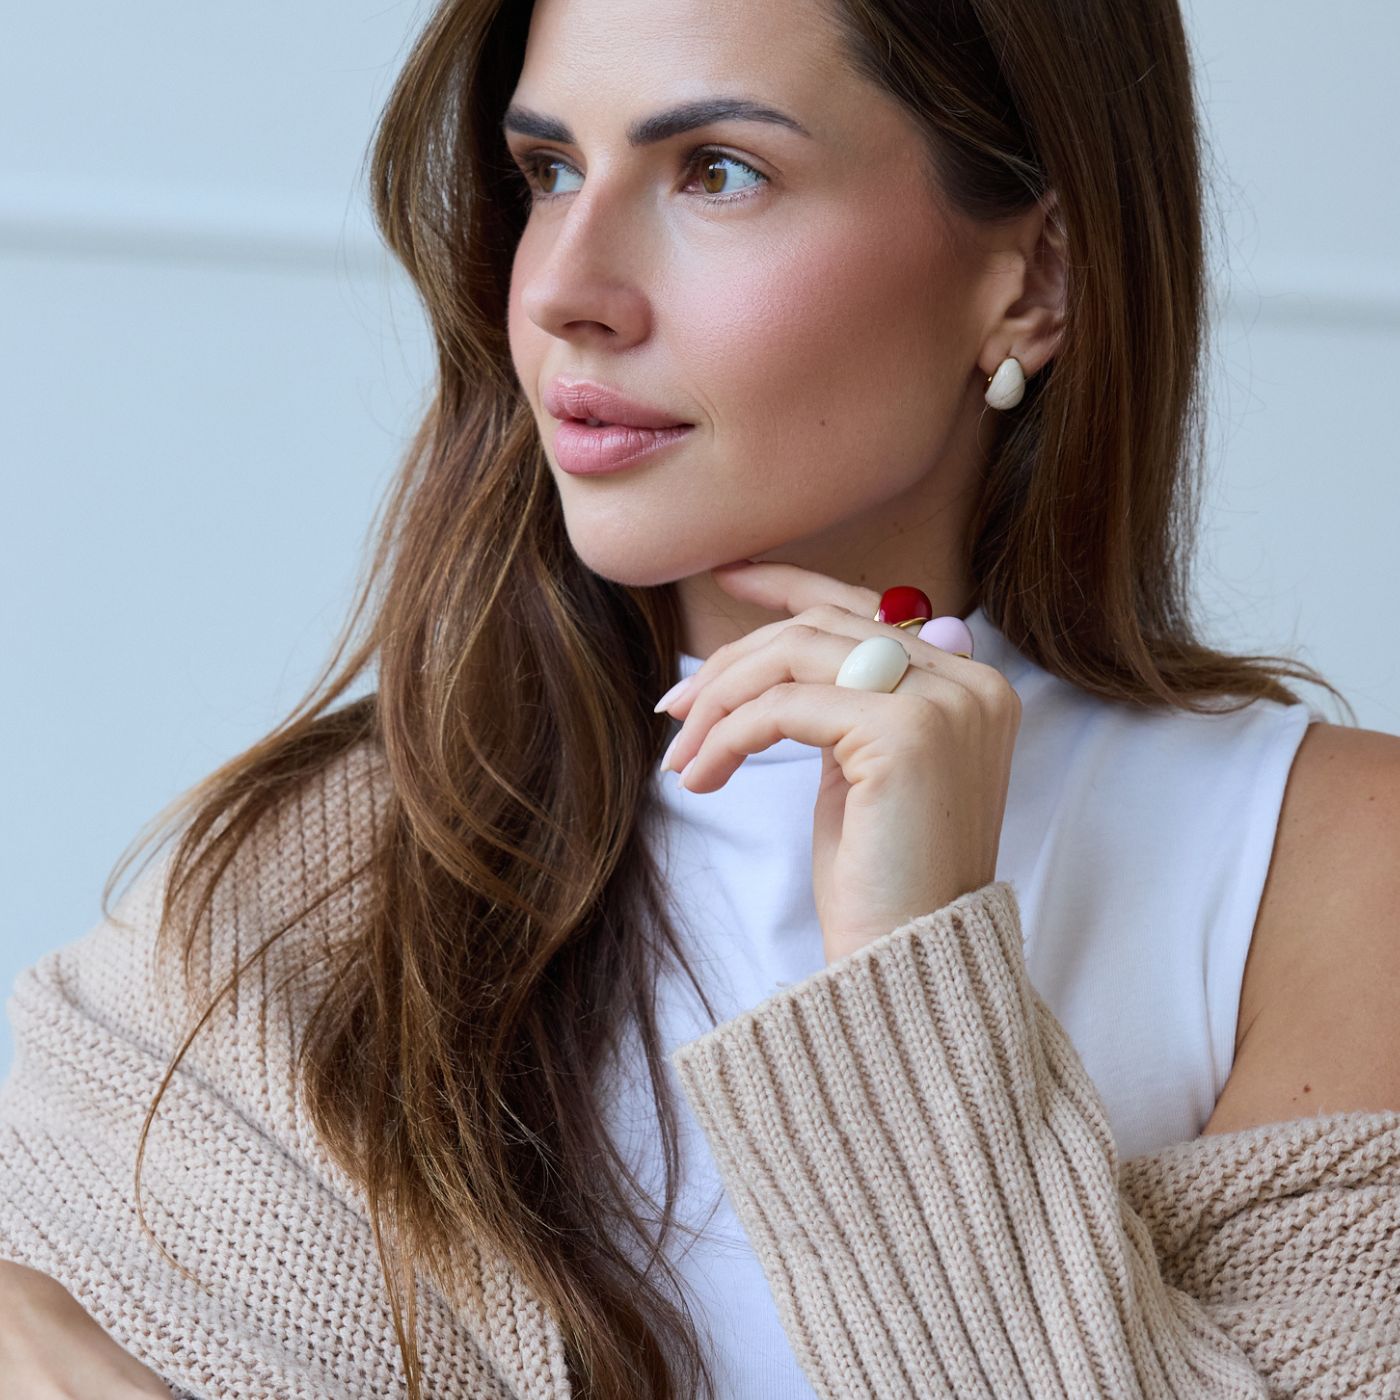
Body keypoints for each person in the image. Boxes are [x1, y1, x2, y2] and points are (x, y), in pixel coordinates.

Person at [3, 0, 1398, 1394]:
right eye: (551, 171)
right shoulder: (291, 888)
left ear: (1033, 278)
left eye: (718, 172)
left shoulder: (1331, 873)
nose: (567, 290)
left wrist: (908, 971)